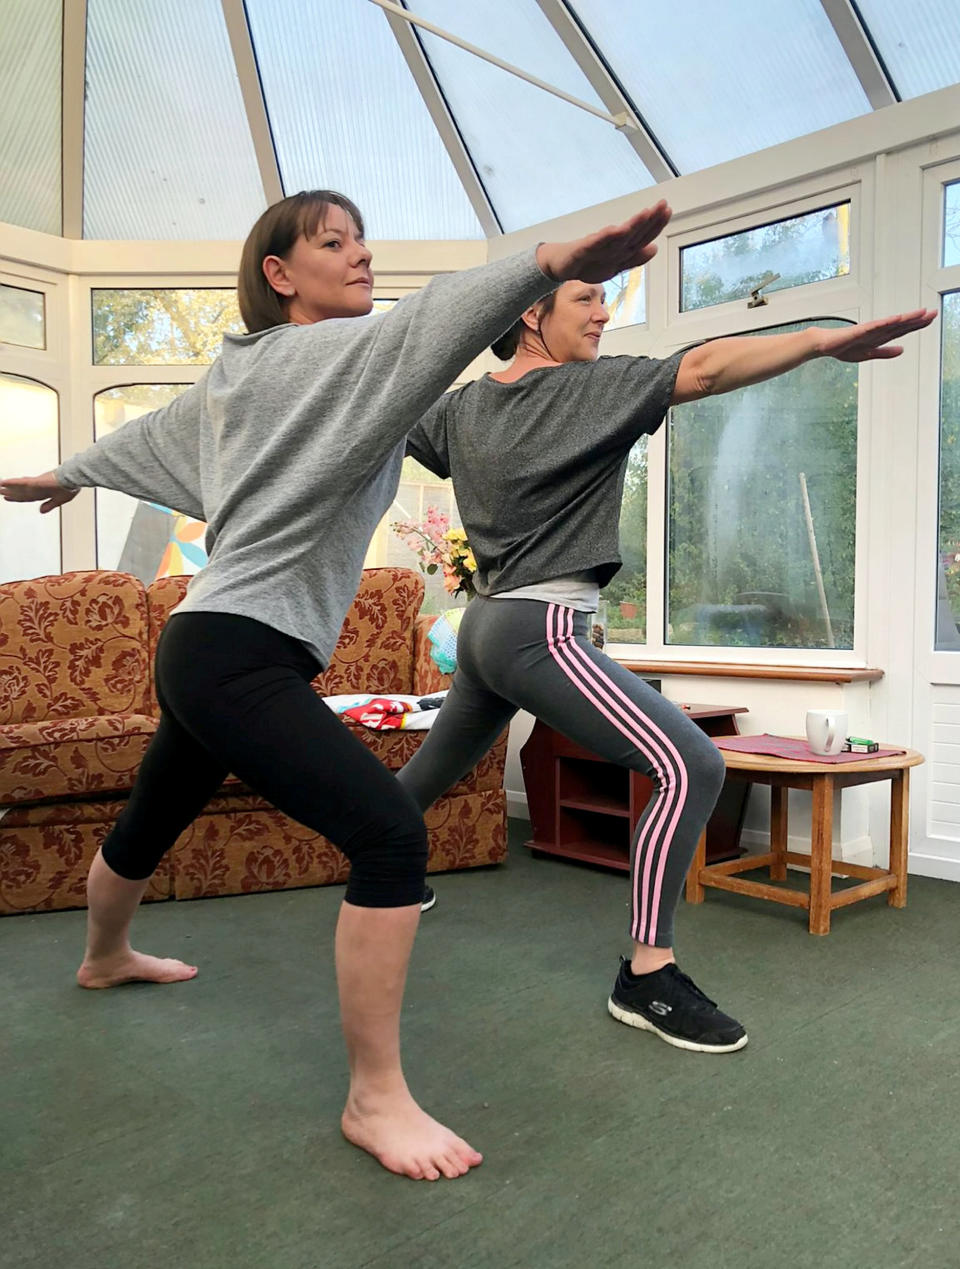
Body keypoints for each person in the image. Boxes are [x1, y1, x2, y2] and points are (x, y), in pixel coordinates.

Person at [0, 189, 672, 1181]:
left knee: (151, 816)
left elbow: (159, 431)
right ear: (280, 274)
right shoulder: (325, 356)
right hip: (240, 650)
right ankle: (376, 1098)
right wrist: (545, 263)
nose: (361, 257)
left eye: (363, 239)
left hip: (203, 644)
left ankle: (105, 956)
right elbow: (434, 321)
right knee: (391, 834)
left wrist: (73, 469)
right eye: (333, 243)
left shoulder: (245, 376)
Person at [401, 279, 937, 1054]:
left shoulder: (459, 409)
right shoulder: (588, 388)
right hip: (539, 629)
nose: (602, 312)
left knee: (424, 778)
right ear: (529, 311)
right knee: (692, 764)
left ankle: (375, 860)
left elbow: (380, 430)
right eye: (585, 297)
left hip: (485, 623)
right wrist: (821, 341)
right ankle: (648, 973)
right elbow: (709, 366)